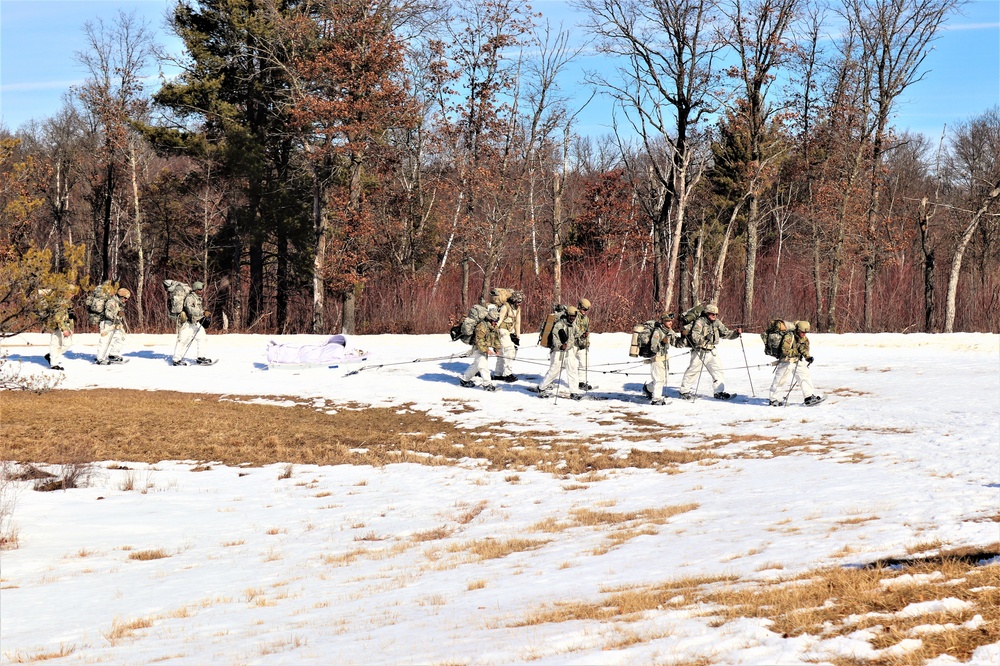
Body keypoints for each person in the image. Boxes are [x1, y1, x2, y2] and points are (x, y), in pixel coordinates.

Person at [678, 303, 742, 400]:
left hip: (712, 350)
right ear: (707, 313)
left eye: (716, 314)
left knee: (718, 372)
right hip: (700, 351)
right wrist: (704, 338)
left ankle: (719, 392)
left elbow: (726, 333)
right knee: (693, 371)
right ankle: (684, 392)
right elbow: (694, 337)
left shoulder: (717, 323)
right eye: (712, 314)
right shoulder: (700, 322)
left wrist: (736, 333)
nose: (714, 316)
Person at [768, 320, 823, 406]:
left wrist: (808, 357)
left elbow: (804, 348)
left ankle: (808, 397)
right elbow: (785, 351)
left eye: (805, 332)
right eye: (802, 332)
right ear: (798, 330)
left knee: (804, 377)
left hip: (798, 360)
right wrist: (796, 352)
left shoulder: (804, 338)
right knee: (780, 380)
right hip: (786, 361)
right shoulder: (789, 337)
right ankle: (773, 399)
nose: (804, 334)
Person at [536, 306, 584, 400]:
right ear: (567, 315)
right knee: (554, 371)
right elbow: (555, 340)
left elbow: (576, 333)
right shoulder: (559, 325)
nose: (572, 318)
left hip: (569, 351)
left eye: (574, 317)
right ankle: (541, 387)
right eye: (571, 316)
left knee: (572, 369)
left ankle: (574, 392)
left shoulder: (573, 324)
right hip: (558, 352)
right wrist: (560, 346)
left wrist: (583, 334)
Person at [172, 281, 214, 366]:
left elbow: (197, 309)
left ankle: (201, 357)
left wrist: (203, 316)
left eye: (202, 289)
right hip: (187, 323)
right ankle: (176, 360)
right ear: (195, 289)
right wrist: (203, 312)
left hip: (196, 323)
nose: (201, 291)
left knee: (202, 338)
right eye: (199, 289)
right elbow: (190, 309)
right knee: (183, 340)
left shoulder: (198, 298)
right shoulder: (190, 298)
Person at [461, 308, 502, 391]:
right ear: (490, 319)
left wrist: (496, 349)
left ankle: (464, 380)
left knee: (476, 365)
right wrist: (486, 350)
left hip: (484, 348)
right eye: (494, 320)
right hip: (478, 348)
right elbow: (479, 341)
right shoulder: (481, 326)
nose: (495, 322)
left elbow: (496, 338)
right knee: (483, 366)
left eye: (497, 320)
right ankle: (487, 384)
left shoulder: (494, 326)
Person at [642, 312, 678, 405]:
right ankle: (656, 399)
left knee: (664, 379)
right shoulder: (658, 331)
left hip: (665, 358)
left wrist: (684, 336)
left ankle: (648, 389)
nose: (670, 323)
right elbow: (653, 347)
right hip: (657, 358)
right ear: (663, 321)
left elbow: (676, 343)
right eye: (668, 321)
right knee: (659, 379)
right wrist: (662, 342)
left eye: (671, 321)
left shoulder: (669, 331)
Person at [493, 290, 524, 382]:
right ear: (514, 300)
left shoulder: (517, 309)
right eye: (518, 302)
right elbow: (499, 320)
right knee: (509, 351)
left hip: (509, 331)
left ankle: (498, 374)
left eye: (520, 302)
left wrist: (517, 335)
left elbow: (517, 322)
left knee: (502, 353)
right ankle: (507, 374)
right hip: (502, 331)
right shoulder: (505, 307)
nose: (519, 303)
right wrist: (494, 332)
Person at [43, 286, 77, 371]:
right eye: (71, 293)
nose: (72, 295)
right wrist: (64, 329)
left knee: (68, 344)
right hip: (56, 325)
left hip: (65, 325)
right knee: (56, 344)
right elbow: (58, 317)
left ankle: (51, 356)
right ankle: (54, 364)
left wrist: (71, 327)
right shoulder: (60, 302)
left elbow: (70, 316)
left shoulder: (68, 302)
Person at [95, 288, 129, 365]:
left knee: (121, 337)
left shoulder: (120, 303)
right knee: (105, 340)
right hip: (107, 322)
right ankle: (100, 358)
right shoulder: (111, 302)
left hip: (116, 323)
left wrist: (119, 315)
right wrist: (117, 315)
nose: (126, 300)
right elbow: (108, 314)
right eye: (125, 298)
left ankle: (113, 355)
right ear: (121, 296)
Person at [575, 298, 593, 390]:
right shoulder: (573, 316)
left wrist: (587, 341)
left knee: (584, 362)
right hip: (572, 344)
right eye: (584, 309)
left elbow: (587, 330)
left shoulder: (586, 319)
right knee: (561, 365)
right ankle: (548, 381)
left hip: (581, 344)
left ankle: (581, 382)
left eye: (586, 310)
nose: (585, 312)